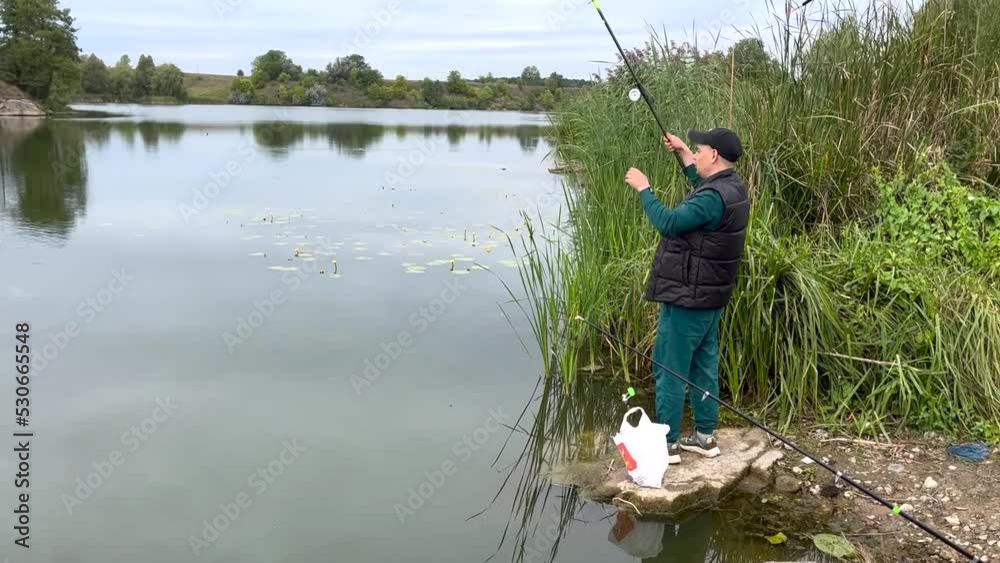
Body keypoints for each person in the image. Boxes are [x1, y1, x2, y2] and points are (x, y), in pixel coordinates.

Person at [623, 128, 750, 464]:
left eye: (698, 149)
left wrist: (644, 189)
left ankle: (667, 445)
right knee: (703, 365)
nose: (695, 153)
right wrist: (682, 153)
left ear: (713, 155)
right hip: (711, 298)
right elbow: (701, 184)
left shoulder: (711, 198)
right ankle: (705, 438)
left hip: (688, 298)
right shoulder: (732, 187)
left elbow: (668, 222)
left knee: (669, 367)